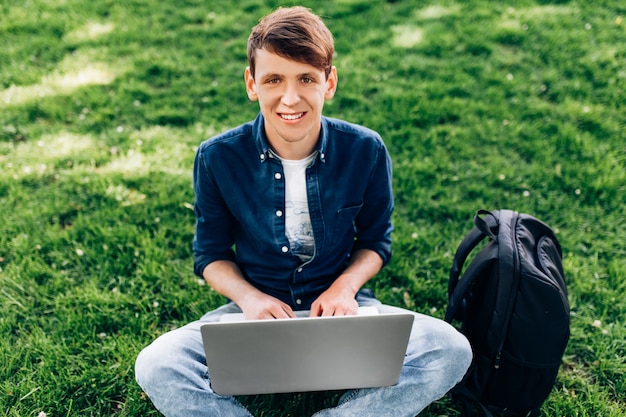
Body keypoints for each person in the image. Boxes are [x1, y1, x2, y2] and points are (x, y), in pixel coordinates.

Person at [135, 6, 472, 417]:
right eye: (274, 79)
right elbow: (210, 255)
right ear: (251, 83)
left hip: (344, 310)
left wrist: (344, 288)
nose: (290, 98)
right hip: (254, 314)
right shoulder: (216, 157)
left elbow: (375, 241)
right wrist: (251, 299)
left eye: (306, 79)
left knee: (451, 349)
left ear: (329, 83)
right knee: (157, 363)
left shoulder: (366, 149)